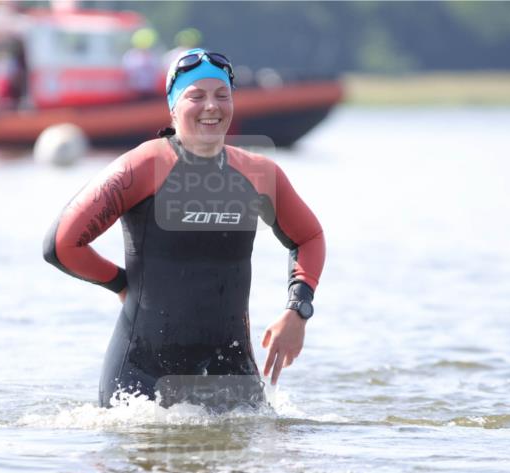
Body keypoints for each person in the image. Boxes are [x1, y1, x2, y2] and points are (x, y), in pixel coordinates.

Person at [44, 49, 326, 408]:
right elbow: (61, 244)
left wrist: (297, 310)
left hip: (230, 374)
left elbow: (309, 237)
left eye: (222, 95)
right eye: (196, 96)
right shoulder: (143, 166)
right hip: (141, 375)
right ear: (173, 107)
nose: (211, 106)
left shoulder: (258, 174)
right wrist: (120, 283)